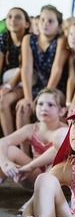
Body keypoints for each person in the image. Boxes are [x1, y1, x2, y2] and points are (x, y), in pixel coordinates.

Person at [0, 88, 67, 190]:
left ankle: (40, 198)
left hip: (57, 184)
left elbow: (58, 153)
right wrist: (5, 163)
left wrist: (30, 166)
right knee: (10, 150)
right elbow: (3, 142)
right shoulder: (31, 129)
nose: (44, 108)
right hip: (31, 176)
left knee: (57, 163)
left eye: (50, 105)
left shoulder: (65, 131)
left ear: (62, 111)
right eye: (40, 104)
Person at [17, 5, 68, 131]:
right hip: (39, 84)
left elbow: (57, 69)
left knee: (53, 106)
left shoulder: (61, 40)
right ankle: (24, 148)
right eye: (42, 20)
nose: (45, 24)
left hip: (56, 86)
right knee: (23, 107)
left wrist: (46, 95)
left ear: (59, 26)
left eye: (51, 21)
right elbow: (26, 67)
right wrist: (28, 97)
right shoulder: (28, 39)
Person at [0, 7, 30, 136]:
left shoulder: (29, 39)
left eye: (18, 17)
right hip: (7, 81)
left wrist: (8, 86)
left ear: (27, 23)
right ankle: (7, 142)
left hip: (25, 82)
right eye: (10, 16)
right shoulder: (3, 38)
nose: (12, 20)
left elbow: (23, 68)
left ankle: (11, 142)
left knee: (3, 101)